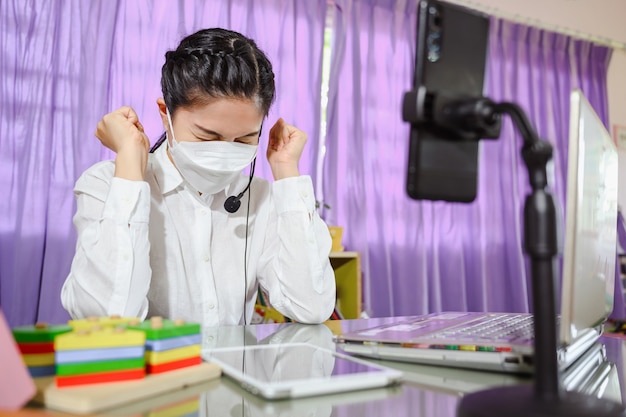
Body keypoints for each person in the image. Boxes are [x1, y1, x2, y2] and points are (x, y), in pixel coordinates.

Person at [61, 28, 336, 326]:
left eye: (244, 139)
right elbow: (107, 319)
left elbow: (310, 307)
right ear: (166, 113)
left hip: (232, 373)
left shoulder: (261, 199)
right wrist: (129, 160)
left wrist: (286, 172)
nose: (224, 152)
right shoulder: (107, 185)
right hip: (147, 373)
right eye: (207, 136)